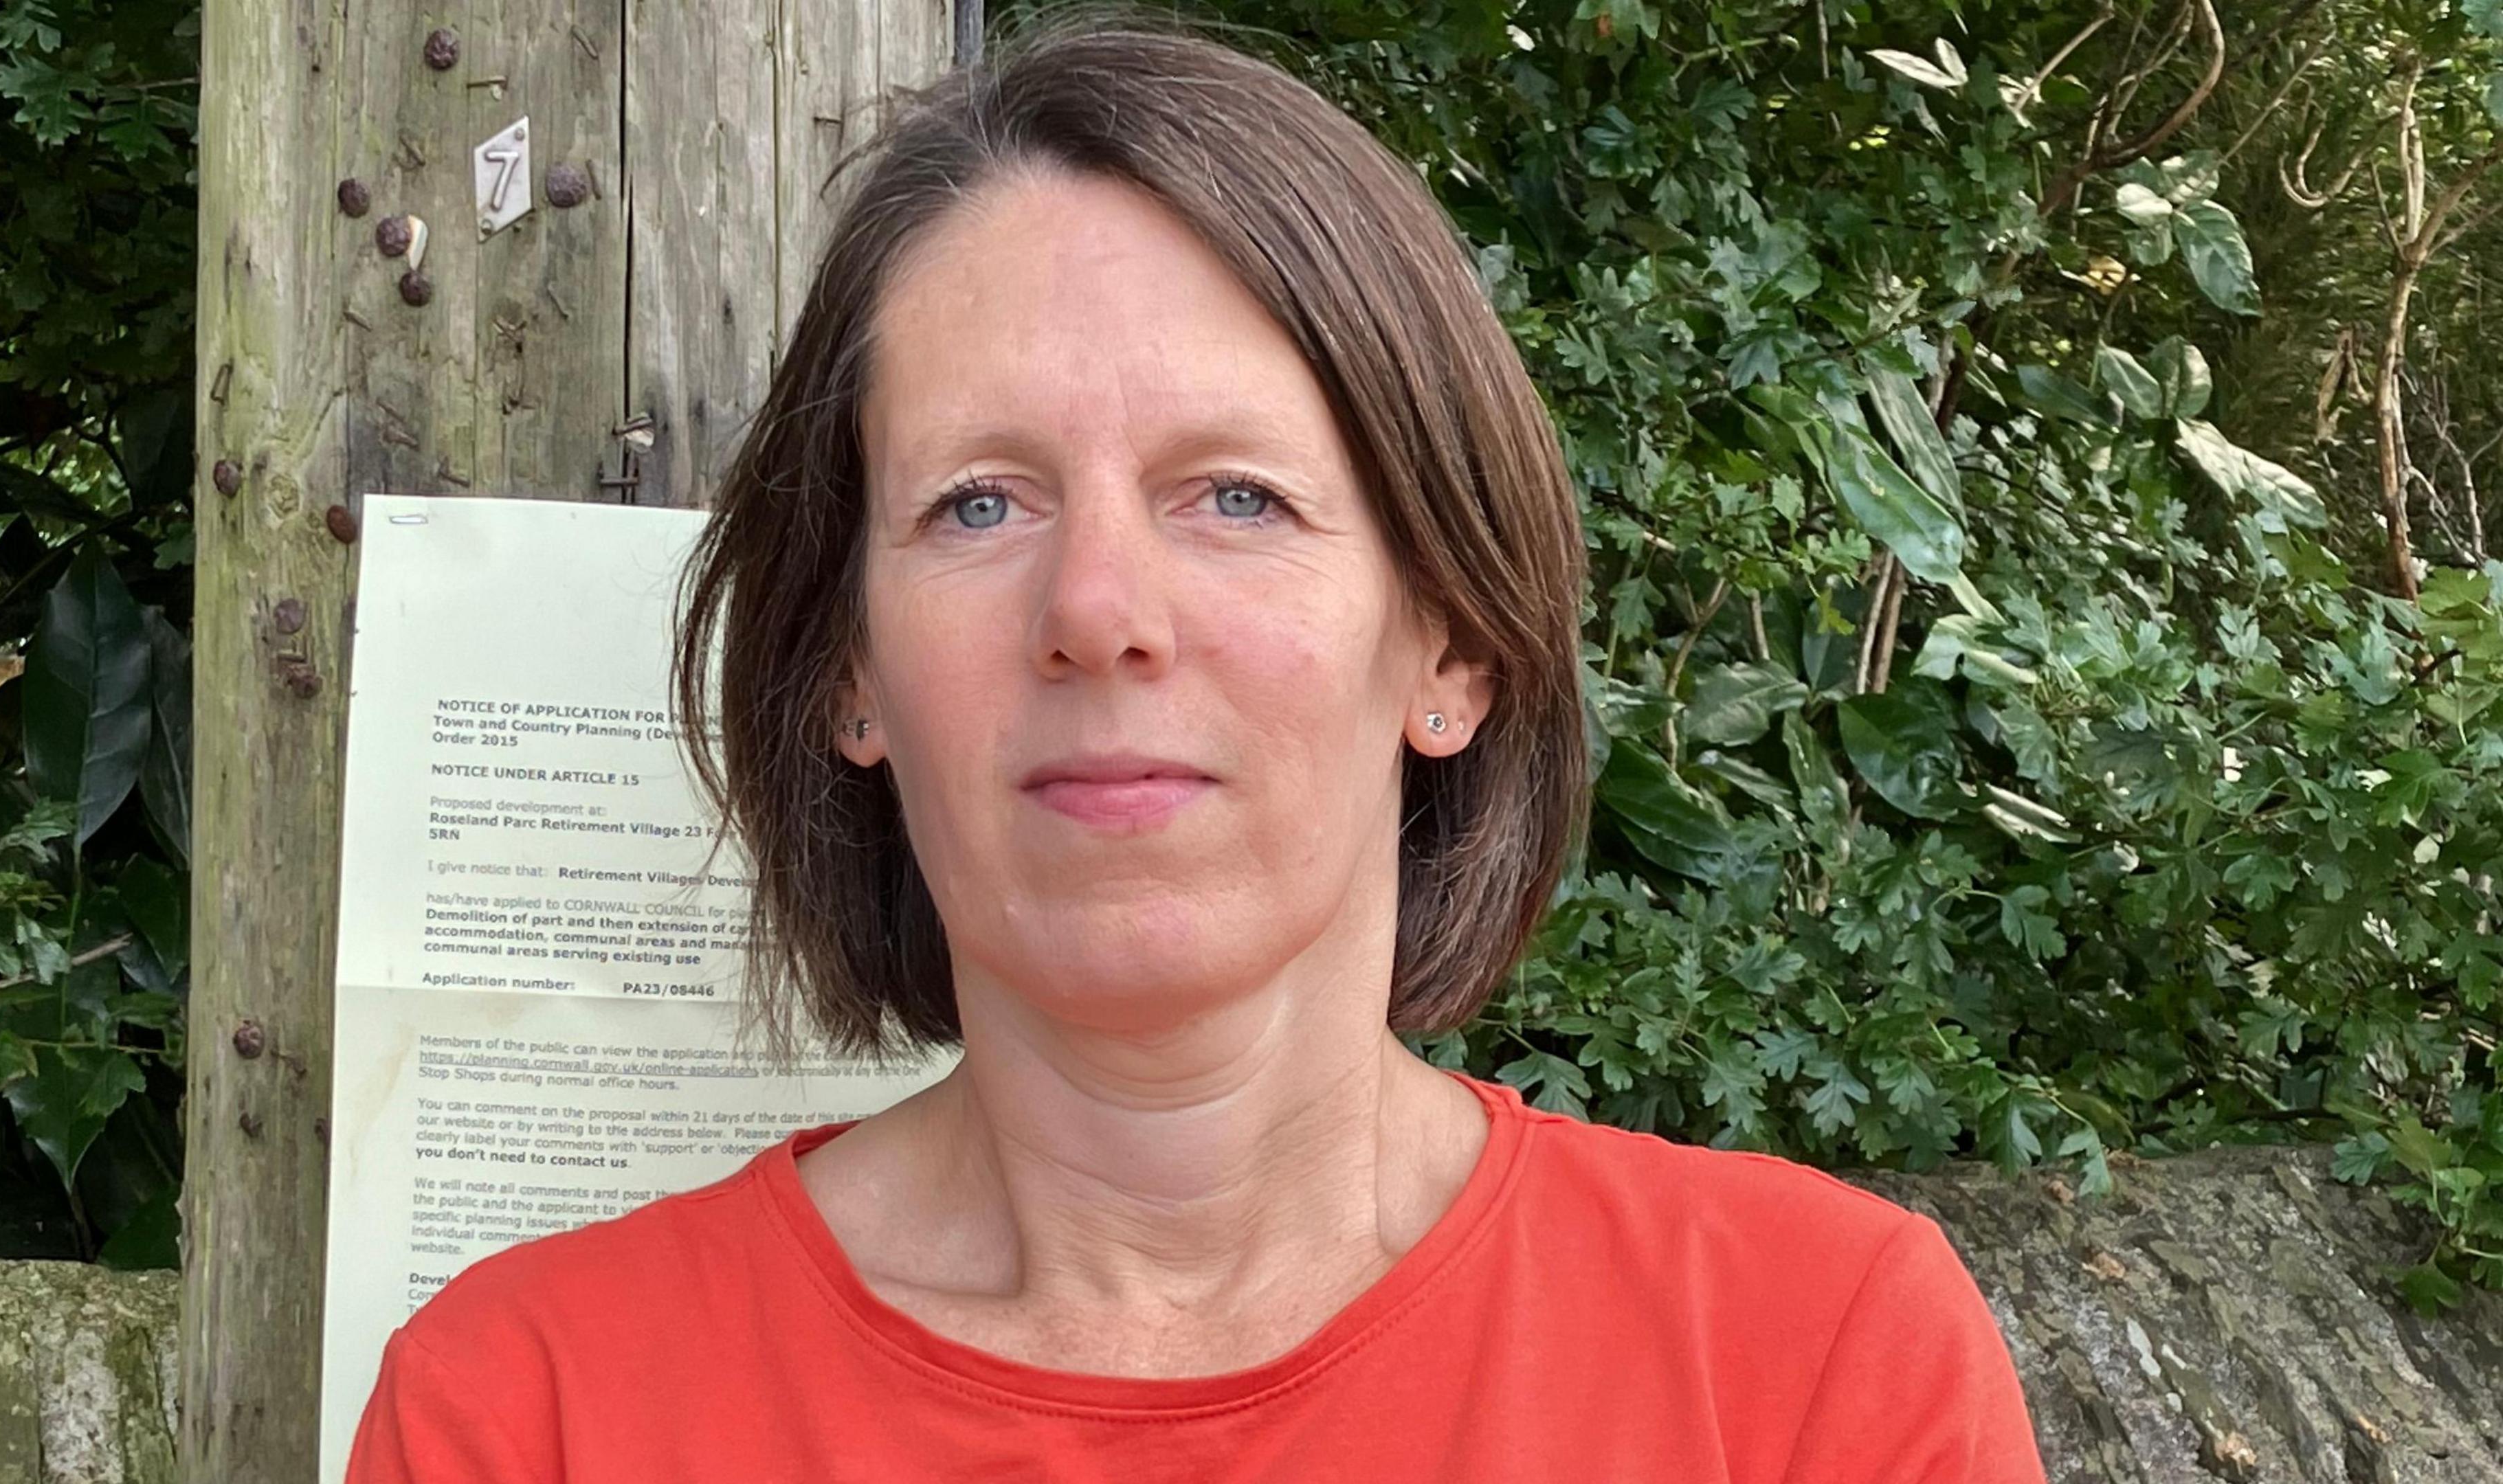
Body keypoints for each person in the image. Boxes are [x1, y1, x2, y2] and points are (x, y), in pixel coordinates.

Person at [344, 8, 2048, 1481]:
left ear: (1446, 641)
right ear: (850, 670)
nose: (1099, 608)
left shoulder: (1815, 1368)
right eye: (979, 501)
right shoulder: (529, 1414)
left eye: (1236, 496)